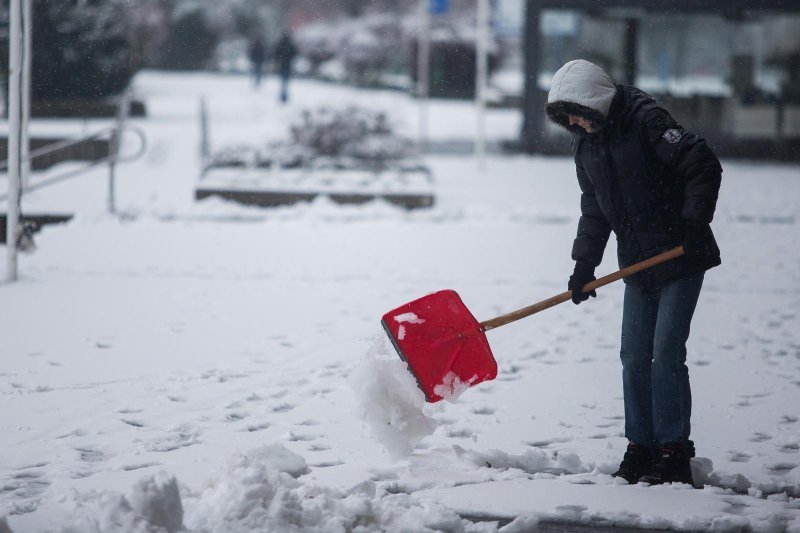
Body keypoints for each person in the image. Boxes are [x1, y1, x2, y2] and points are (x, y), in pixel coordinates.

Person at [544, 60, 722, 486]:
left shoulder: (646, 120)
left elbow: (701, 162)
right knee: (633, 357)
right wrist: (584, 264)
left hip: (680, 253)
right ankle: (641, 446)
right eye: (564, 116)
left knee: (665, 353)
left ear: (594, 101)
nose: (571, 122)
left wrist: (695, 222)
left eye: (575, 112)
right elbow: (595, 209)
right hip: (637, 264)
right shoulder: (586, 145)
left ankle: (673, 449)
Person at [274, 31, 297, 103]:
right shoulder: (290, 44)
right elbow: (295, 53)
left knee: (283, 81)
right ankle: (284, 95)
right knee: (285, 81)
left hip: (282, 65)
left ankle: (283, 94)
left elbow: (276, 53)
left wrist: (278, 60)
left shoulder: (281, 43)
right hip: (288, 65)